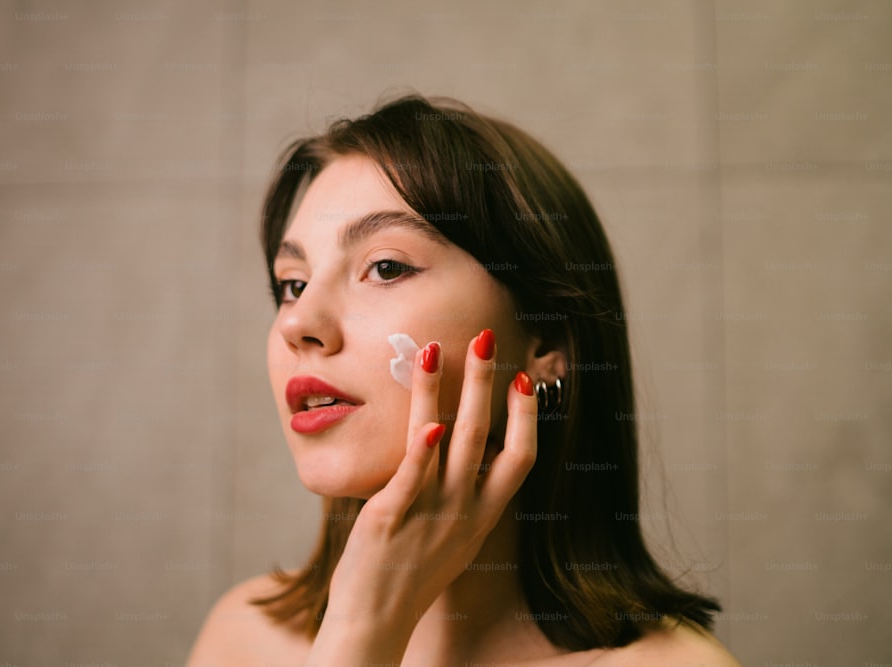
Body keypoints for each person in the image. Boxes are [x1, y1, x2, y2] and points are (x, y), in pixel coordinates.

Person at [187, 94, 740, 665]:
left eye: (386, 267)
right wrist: (358, 635)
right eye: (293, 284)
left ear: (545, 342)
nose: (298, 323)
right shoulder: (243, 637)